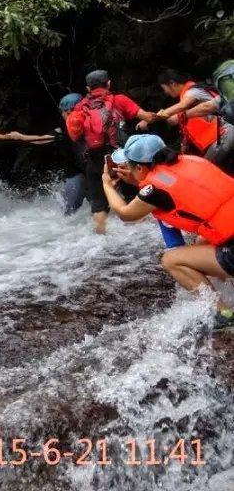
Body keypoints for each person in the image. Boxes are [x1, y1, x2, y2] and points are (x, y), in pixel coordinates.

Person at [102, 134, 234, 330]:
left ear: (139, 167)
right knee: (200, 243)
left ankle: (222, 314)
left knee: (171, 259)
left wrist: (106, 185)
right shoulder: (192, 161)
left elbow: (125, 213)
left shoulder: (154, 190)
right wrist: (140, 180)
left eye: (129, 165)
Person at [67, 70, 158, 234]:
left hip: (95, 160)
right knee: (131, 195)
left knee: (98, 202)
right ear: (109, 83)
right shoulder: (119, 100)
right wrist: (154, 117)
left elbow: (76, 136)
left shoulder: (80, 108)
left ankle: (101, 238)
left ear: (88, 88)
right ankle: (143, 235)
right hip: (122, 157)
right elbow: (147, 117)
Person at [55, 93, 88, 215]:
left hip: (88, 170)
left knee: (71, 210)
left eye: (64, 112)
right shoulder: (61, 128)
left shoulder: (91, 122)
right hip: (79, 170)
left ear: (68, 111)